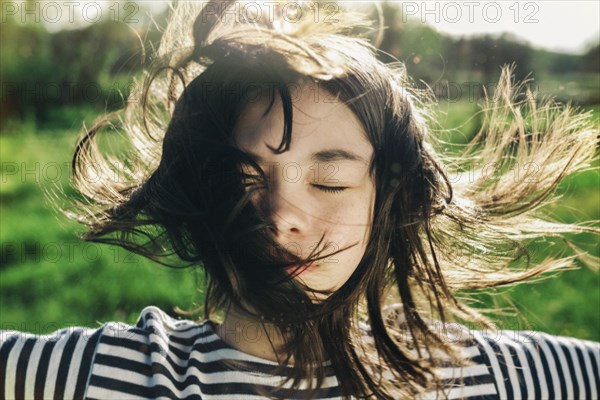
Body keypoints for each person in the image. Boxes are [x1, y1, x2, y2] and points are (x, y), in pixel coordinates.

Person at [1, 1, 599, 399]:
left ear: (388, 199)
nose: (282, 215)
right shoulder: (110, 376)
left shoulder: (500, 379)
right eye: (244, 180)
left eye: (330, 183)